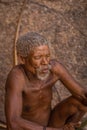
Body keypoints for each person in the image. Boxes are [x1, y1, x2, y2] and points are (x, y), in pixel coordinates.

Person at [5, 32, 87, 130]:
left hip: (51, 124)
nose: (45, 62)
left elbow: (82, 94)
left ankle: (71, 128)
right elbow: (13, 122)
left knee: (80, 102)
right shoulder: (17, 77)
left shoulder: (55, 68)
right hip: (30, 129)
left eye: (47, 56)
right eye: (38, 57)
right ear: (22, 59)